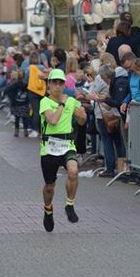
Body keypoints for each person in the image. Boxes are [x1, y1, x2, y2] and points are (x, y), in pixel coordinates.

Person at [39, 69, 87, 232]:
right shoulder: (45, 102)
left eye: (61, 83)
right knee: (49, 186)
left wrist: (81, 115)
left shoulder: (72, 101)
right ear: (49, 85)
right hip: (50, 148)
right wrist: (62, 103)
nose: (58, 87)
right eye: (55, 83)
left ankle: (69, 205)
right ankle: (48, 209)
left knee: (73, 171)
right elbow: (52, 120)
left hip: (67, 145)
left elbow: (81, 121)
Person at [86, 64, 126, 178]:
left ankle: (110, 168)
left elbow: (91, 94)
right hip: (114, 114)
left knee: (107, 141)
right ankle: (121, 168)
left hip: (106, 114)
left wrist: (100, 99)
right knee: (118, 141)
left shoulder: (104, 80)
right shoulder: (116, 81)